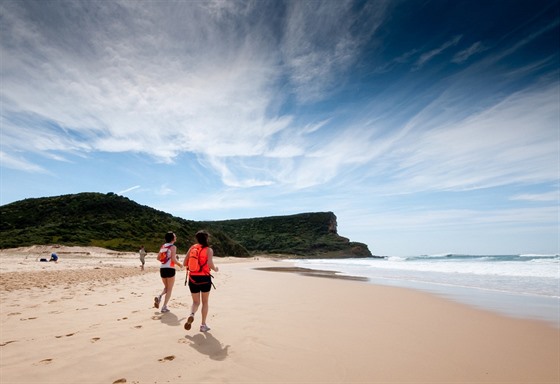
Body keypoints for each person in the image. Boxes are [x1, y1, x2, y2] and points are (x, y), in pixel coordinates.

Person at [183, 230, 219, 332]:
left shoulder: (192, 248)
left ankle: (192, 314)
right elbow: (210, 264)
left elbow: (185, 263)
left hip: (192, 278)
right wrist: (215, 269)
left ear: (197, 238)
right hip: (204, 278)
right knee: (205, 302)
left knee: (195, 302)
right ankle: (203, 325)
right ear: (207, 238)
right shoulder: (209, 250)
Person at [154, 232, 183, 313]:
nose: (176, 237)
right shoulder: (173, 247)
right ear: (172, 238)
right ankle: (164, 306)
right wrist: (180, 264)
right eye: (175, 236)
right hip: (170, 269)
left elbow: (158, 258)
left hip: (162, 268)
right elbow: (173, 259)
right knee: (169, 289)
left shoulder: (163, 246)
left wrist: (164, 260)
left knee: (166, 287)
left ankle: (159, 296)